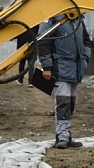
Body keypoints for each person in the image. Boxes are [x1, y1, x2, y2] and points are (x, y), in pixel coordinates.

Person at [38, 14, 91, 149]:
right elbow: (43, 42)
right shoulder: (53, 19)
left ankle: (66, 135)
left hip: (75, 69)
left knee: (70, 103)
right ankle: (61, 136)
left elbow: (86, 39)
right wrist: (47, 67)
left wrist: (85, 57)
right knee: (63, 103)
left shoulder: (78, 19)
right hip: (60, 68)